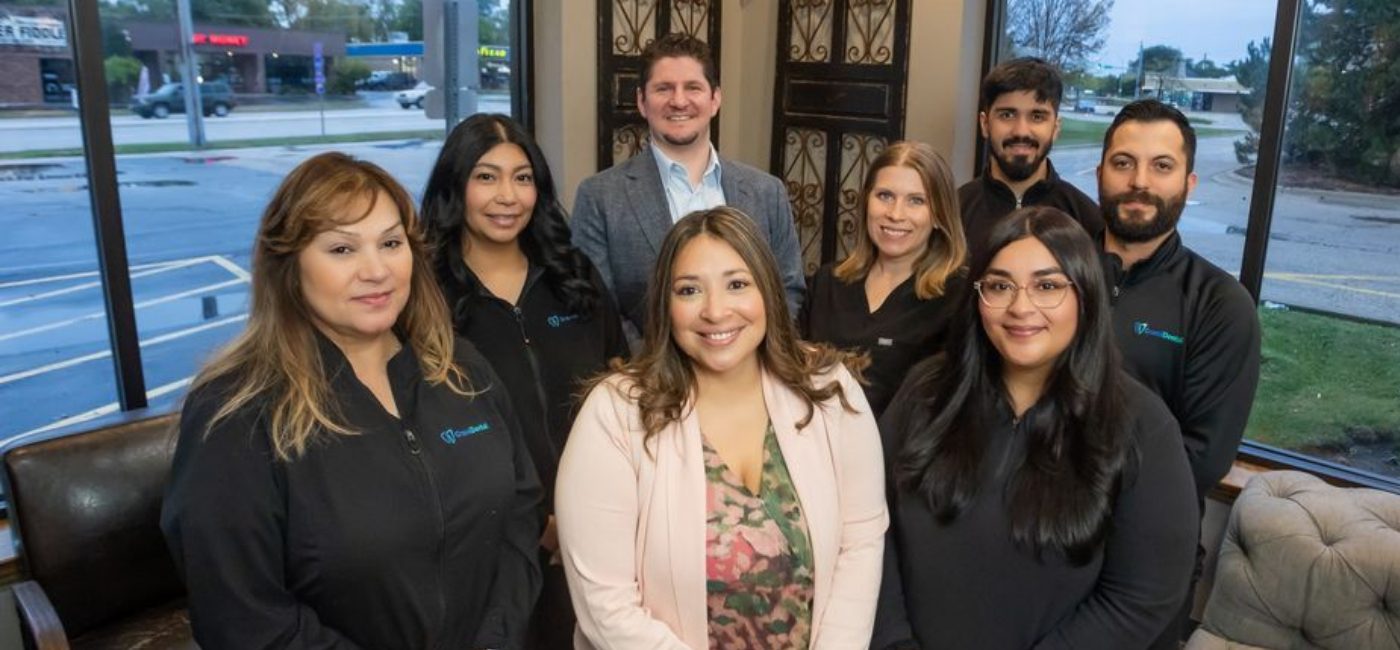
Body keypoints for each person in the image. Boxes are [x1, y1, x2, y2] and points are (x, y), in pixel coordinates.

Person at [161, 152, 542, 650]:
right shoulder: (236, 414)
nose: (376, 270)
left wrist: (495, 639)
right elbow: (244, 619)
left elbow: (519, 511)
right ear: (289, 265)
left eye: (390, 243)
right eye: (342, 249)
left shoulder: (462, 368)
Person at [556, 207, 888, 649]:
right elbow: (606, 607)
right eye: (689, 290)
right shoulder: (616, 414)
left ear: (768, 290)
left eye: (737, 284)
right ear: (664, 305)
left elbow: (860, 545)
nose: (716, 311)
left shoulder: (828, 389)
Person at [873, 206, 1198, 649]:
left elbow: (1141, 596)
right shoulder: (925, 393)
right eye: (1000, 286)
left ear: (1084, 294)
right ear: (977, 296)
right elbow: (872, 524)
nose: (1020, 307)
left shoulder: (1143, 426)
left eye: (1047, 286)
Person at [420, 113, 628, 650]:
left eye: (523, 177)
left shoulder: (572, 274)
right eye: (486, 177)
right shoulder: (423, 296)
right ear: (455, 185)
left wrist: (589, 514)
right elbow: (431, 437)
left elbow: (620, 385)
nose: (507, 196)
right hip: (489, 541)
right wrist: (537, 521)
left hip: (602, 525)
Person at [1096, 99, 1262, 646]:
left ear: (1189, 182)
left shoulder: (1219, 304)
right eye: (1123, 163)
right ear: (1100, 173)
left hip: (1142, 564)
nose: (1139, 181)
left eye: (1161, 166)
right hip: (1032, 542)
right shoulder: (1053, 275)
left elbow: (1201, 459)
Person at [571, 33, 804, 339]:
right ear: (642, 101)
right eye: (663, 88)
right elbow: (600, 311)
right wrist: (658, 372)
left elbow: (788, 292)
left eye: (693, 87)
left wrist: (746, 359)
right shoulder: (599, 197)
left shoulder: (766, 191)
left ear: (715, 99)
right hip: (647, 378)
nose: (678, 101)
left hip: (747, 374)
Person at [799, 141, 966, 419]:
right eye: (885, 195)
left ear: (939, 214)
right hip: (814, 447)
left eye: (916, 200)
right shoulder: (827, 282)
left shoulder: (957, 298)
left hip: (897, 458)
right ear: (866, 201)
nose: (895, 213)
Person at [960, 57, 1103, 261]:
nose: (1021, 131)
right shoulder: (953, 214)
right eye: (1007, 115)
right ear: (984, 124)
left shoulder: (1087, 220)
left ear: (1055, 127)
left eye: (1037, 116)